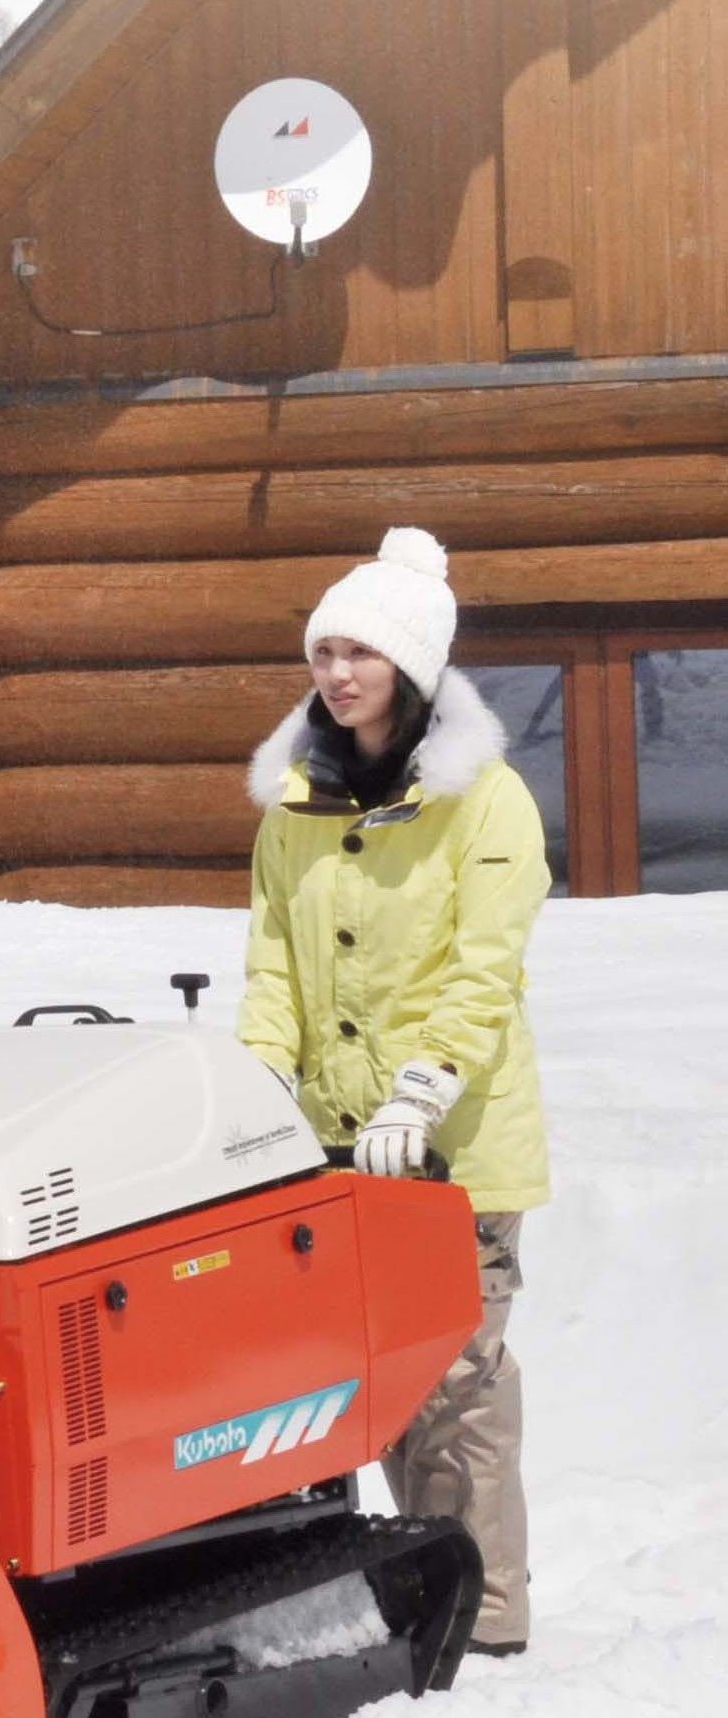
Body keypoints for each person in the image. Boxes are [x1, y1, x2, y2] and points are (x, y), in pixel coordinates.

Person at [238, 525, 549, 1657]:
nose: (335, 673)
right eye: (322, 651)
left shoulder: (485, 799)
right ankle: (419, 1588)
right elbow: (272, 958)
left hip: (452, 1146)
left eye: (359, 652)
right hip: (334, 1147)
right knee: (370, 1380)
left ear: (411, 668)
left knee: (454, 1378)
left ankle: (485, 1615)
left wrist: (420, 1089)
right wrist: (261, 1075)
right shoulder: (295, 805)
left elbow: (485, 965)